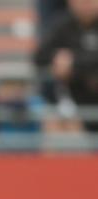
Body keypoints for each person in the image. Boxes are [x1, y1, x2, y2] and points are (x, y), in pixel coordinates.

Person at [34, 0, 98, 133]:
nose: (86, 4)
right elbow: (40, 57)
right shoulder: (62, 25)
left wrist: (74, 62)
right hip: (74, 103)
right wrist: (57, 59)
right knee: (57, 124)